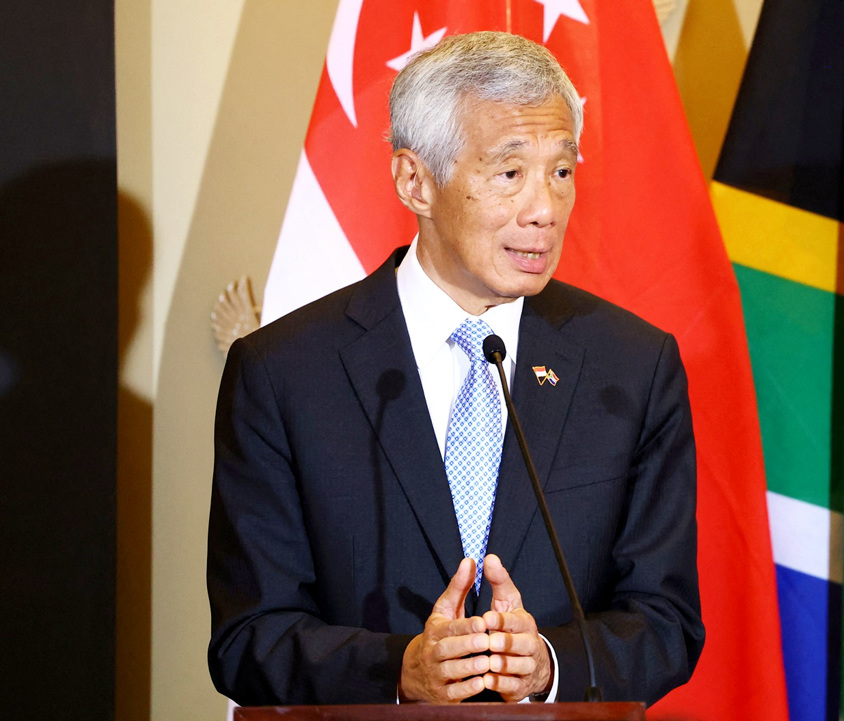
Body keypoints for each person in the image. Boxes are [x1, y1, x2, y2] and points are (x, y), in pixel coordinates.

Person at [207, 31, 703, 707]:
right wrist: (398, 670)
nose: (544, 209)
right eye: (510, 173)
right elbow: (247, 637)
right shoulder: (284, 373)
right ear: (414, 181)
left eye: (561, 172)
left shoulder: (633, 367)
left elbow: (667, 621)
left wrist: (549, 665)